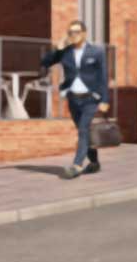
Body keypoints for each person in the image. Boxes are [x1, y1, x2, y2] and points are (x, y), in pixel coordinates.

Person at [39, 21, 110, 178]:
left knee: (83, 130)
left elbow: (103, 77)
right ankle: (94, 162)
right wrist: (58, 48)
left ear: (84, 33)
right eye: (70, 32)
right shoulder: (65, 52)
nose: (73, 35)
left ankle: (77, 165)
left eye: (76, 32)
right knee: (83, 131)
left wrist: (105, 99)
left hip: (91, 99)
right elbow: (45, 63)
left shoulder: (96, 52)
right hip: (73, 99)